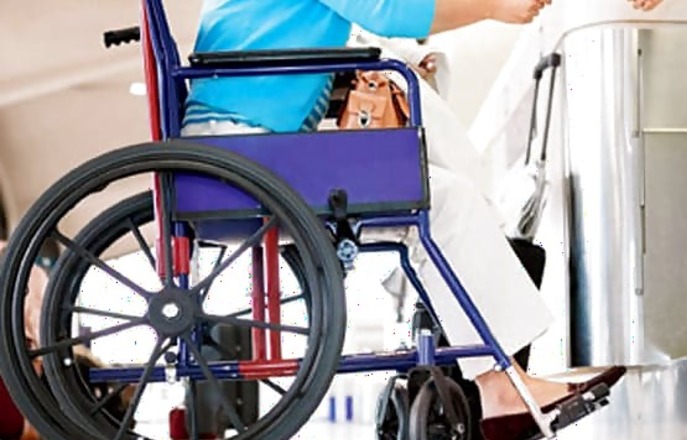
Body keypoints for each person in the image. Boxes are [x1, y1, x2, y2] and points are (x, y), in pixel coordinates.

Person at [183, 1, 624, 438]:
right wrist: (492, 8)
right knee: (443, 199)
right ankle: (501, 388)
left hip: (240, 150)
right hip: (248, 157)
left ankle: (501, 385)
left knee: (435, 196)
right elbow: (388, 11)